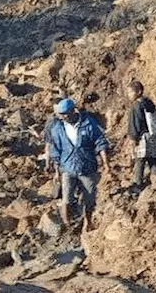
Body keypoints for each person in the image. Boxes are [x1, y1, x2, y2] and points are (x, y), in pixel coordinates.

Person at [45, 98, 111, 231]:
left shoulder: (88, 124)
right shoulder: (58, 128)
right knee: (67, 198)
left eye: (65, 114)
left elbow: (100, 142)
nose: (63, 117)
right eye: (60, 114)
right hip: (68, 167)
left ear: (72, 110)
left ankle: (88, 221)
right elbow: (55, 150)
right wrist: (57, 172)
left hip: (87, 167)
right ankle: (67, 224)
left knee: (90, 197)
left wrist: (106, 164)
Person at [126, 81, 156, 189]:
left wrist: (133, 139)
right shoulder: (148, 102)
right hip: (153, 134)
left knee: (140, 160)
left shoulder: (136, 106)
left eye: (130, 92)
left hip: (142, 137)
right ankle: (154, 177)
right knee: (152, 158)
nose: (128, 95)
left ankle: (138, 185)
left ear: (138, 91)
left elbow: (135, 124)